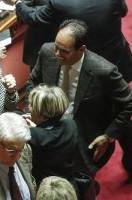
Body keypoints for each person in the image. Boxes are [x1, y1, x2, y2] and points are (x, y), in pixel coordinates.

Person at [26, 19, 132, 194]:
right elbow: (33, 81)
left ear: (81, 50)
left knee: (83, 183)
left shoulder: (103, 71)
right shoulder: (47, 51)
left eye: (64, 51)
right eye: (56, 47)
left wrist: (108, 136)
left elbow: (127, 102)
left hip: (84, 138)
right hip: (47, 127)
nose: (57, 54)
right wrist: (33, 108)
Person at [7, 0, 132, 82]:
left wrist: (18, 3)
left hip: (89, 65)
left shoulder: (61, 4)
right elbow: (123, 11)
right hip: (118, 57)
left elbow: (34, 18)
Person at [26, 84, 78, 186]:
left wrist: (34, 130)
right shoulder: (71, 125)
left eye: (31, 105)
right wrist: (37, 128)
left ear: (44, 117)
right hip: (69, 185)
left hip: (47, 189)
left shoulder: (34, 135)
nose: (29, 108)